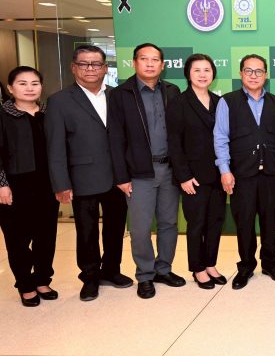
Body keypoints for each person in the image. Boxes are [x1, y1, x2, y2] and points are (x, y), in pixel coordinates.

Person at [45, 45, 132, 302]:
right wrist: (61, 183)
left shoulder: (117, 96)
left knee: (115, 227)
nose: (90, 69)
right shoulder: (60, 101)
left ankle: (112, 270)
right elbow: (55, 146)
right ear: (74, 68)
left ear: (105, 68)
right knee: (86, 231)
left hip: (118, 176)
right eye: (84, 64)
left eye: (96, 64)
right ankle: (90, 276)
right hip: (82, 177)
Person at [109, 43, 184, 299]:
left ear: (163, 65)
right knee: (140, 228)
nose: (150, 64)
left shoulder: (172, 91)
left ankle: (164, 269)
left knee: (169, 223)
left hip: (169, 169)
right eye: (144, 59)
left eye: (155, 60)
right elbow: (115, 138)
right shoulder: (120, 94)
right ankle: (145, 274)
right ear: (134, 62)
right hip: (139, 172)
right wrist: (121, 176)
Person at [214, 54, 275, 290]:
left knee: (270, 221)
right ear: (241, 73)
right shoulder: (227, 102)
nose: (254, 76)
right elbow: (220, 137)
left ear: (266, 75)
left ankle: (270, 264)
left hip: (271, 174)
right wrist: (225, 170)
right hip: (241, 175)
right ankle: (245, 266)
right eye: (249, 71)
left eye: (259, 71)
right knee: (244, 223)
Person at [166, 54, 227, 290]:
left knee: (215, 221)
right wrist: (183, 176)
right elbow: (174, 142)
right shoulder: (179, 103)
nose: (202, 75)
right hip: (192, 177)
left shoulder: (219, 101)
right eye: (197, 70)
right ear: (188, 74)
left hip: (217, 174)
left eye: (207, 70)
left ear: (213, 74)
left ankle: (210, 264)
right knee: (196, 223)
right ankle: (198, 268)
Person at [0, 66, 59, 307]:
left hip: (47, 185)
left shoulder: (49, 113)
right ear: (10, 88)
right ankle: (25, 285)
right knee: (18, 239)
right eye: (22, 83)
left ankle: (43, 279)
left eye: (34, 83)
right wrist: (2, 184)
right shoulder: (3, 115)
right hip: (15, 186)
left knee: (46, 236)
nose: (29, 88)